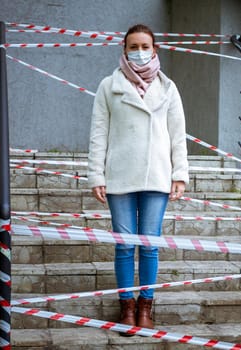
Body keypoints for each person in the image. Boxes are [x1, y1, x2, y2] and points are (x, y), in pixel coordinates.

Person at [87, 24, 189, 333]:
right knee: (123, 246)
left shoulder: (168, 88)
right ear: (124, 49)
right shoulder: (109, 86)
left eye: (145, 46)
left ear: (155, 50)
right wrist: (96, 174)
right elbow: (98, 133)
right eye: (134, 46)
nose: (140, 52)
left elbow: (178, 134)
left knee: (149, 246)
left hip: (157, 177)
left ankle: (146, 307)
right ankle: (126, 308)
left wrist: (179, 174)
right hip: (119, 178)